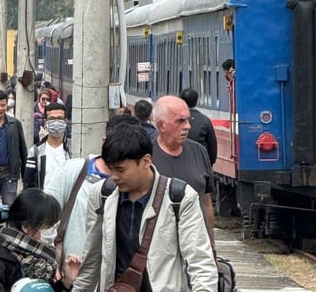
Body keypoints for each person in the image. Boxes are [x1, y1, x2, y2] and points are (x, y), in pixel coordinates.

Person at [72, 124, 217, 291]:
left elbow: (200, 262)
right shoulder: (103, 193)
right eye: (110, 169)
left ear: (146, 161)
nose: (114, 176)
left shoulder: (179, 197)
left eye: (120, 170)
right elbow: (92, 258)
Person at [43, 114, 139, 279]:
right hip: (74, 273)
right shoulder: (74, 171)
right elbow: (44, 217)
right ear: (104, 142)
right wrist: (51, 262)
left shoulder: (141, 184)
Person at [0, 188, 81, 291]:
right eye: (46, 227)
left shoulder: (42, 261)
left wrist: (66, 282)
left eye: (53, 226)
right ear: (26, 227)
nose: (51, 232)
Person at [151, 95, 215, 239]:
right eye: (180, 121)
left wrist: (211, 244)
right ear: (161, 125)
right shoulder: (146, 155)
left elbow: (206, 202)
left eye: (187, 119)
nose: (188, 126)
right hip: (159, 246)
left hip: (196, 245)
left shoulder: (199, 152)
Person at [24, 103, 71, 189]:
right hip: (44, 200)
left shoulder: (72, 151)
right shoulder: (35, 151)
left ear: (66, 120)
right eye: (52, 119)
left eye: (60, 118)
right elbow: (28, 183)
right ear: (45, 121)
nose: (56, 122)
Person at [180, 88, 218, 165]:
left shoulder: (174, 118)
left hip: (179, 161)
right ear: (197, 101)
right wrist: (209, 163)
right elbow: (212, 145)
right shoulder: (205, 120)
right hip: (200, 162)